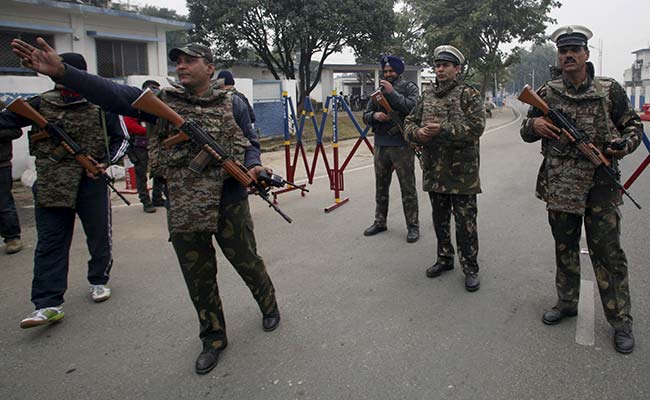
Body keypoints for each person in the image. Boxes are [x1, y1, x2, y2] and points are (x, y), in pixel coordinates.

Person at [12, 39, 281, 374]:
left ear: (210, 68)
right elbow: (110, 93)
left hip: (229, 201)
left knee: (248, 262)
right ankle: (212, 338)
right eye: (178, 61)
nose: (181, 65)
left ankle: (268, 304)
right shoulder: (158, 103)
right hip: (183, 206)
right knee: (198, 279)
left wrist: (254, 166)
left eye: (190, 60)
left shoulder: (233, 103)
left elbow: (250, 143)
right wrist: (65, 73)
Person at [519, 25, 643, 354]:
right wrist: (535, 124)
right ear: (558, 57)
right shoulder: (547, 91)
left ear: (586, 54)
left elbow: (633, 125)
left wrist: (622, 145)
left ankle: (620, 320)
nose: (568, 55)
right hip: (560, 185)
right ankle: (567, 302)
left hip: (600, 185)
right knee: (565, 248)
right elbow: (525, 128)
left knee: (608, 254)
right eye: (563, 51)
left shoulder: (609, 90)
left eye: (574, 50)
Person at [0, 52, 129, 326]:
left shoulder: (100, 106)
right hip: (51, 184)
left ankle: (98, 280)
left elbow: (121, 139)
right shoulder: (39, 105)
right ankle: (47, 303)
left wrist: (106, 164)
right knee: (50, 243)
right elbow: (5, 123)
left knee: (98, 236)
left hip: (91, 182)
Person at [403, 45, 485, 292]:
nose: (440, 69)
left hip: (462, 174)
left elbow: (476, 128)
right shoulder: (426, 96)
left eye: (445, 65)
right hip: (434, 171)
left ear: (456, 69)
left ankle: (470, 267)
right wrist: (417, 133)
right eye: (437, 65)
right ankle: (444, 258)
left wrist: (444, 129)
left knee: (465, 223)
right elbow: (409, 122)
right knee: (439, 220)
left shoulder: (468, 94)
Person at [362, 55, 420, 243]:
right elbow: (365, 114)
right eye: (385, 71)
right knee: (381, 186)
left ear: (399, 72)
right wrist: (375, 115)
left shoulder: (409, 88)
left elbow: (413, 108)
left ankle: (412, 225)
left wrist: (392, 93)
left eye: (391, 71)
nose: (388, 74)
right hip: (381, 144)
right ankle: (380, 221)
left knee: (407, 187)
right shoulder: (378, 91)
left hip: (402, 145)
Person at [123, 80, 161, 213]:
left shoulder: (159, 106)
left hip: (156, 144)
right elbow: (129, 125)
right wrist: (149, 132)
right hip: (140, 144)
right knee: (141, 175)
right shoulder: (135, 106)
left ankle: (157, 197)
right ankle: (145, 201)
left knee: (159, 172)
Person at [0, 128, 23, 254]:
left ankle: (12, 237)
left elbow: (15, 131)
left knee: (4, 204)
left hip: (1, 164)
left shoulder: (3, 111)